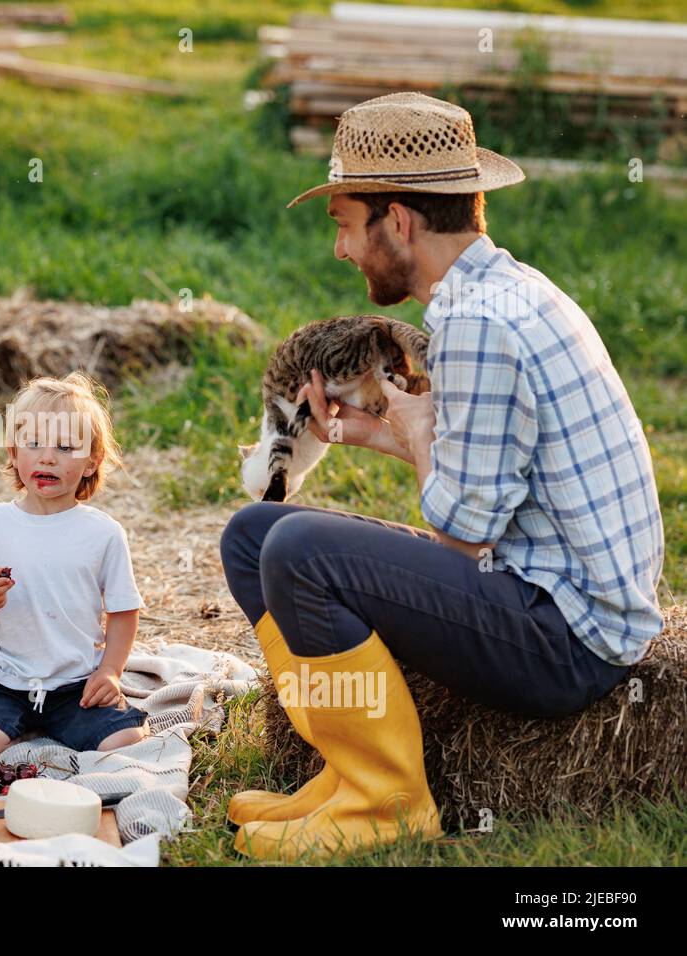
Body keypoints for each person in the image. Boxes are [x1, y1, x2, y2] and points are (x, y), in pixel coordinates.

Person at [221, 93, 664, 860]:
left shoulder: (478, 325)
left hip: (568, 638)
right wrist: (380, 433)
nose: (340, 251)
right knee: (253, 534)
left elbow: (460, 536)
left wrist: (421, 432)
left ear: (398, 221)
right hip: (542, 585)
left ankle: (387, 801)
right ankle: (342, 771)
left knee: (299, 554)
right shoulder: (505, 290)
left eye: (345, 225)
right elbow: (499, 476)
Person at [0, 371, 150, 758]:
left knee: (124, 741)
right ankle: (13, 722)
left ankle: (55, 723)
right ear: (14, 454)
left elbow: (123, 611)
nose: (48, 456)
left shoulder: (103, 534)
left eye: (66, 447)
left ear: (91, 461)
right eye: (34, 443)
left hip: (74, 682)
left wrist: (110, 672)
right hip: (4, 675)